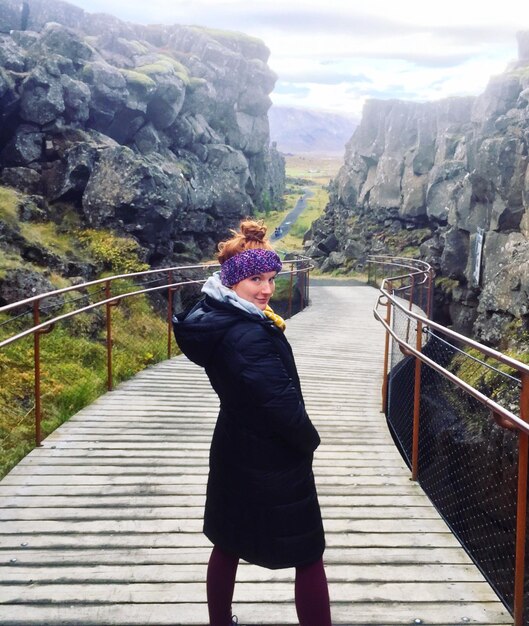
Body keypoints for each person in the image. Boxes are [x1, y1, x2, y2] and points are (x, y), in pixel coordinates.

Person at [173, 219, 331, 626]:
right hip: (271, 455)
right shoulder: (248, 333)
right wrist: (307, 441)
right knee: (308, 555)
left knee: (228, 542)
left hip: (234, 445)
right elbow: (279, 403)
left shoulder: (222, 316)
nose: (266, 289)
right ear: (232, 281)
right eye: (256, 279)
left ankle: (220, 622)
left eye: (272, 279)